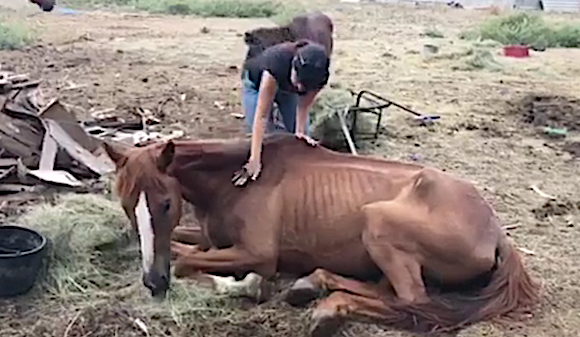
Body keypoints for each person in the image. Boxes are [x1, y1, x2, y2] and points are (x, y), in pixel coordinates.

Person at [232, 40, 331, 186]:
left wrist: (299, 133)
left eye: (304, 87)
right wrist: (254, 158)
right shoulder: (276, 64)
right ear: (294, 67)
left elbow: (303, 106)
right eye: (298, 81)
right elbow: (262, 115)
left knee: (304, 138)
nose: (299, 86)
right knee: (266, 138)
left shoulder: (318, 79)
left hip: (286, 91)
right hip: (256, 84)